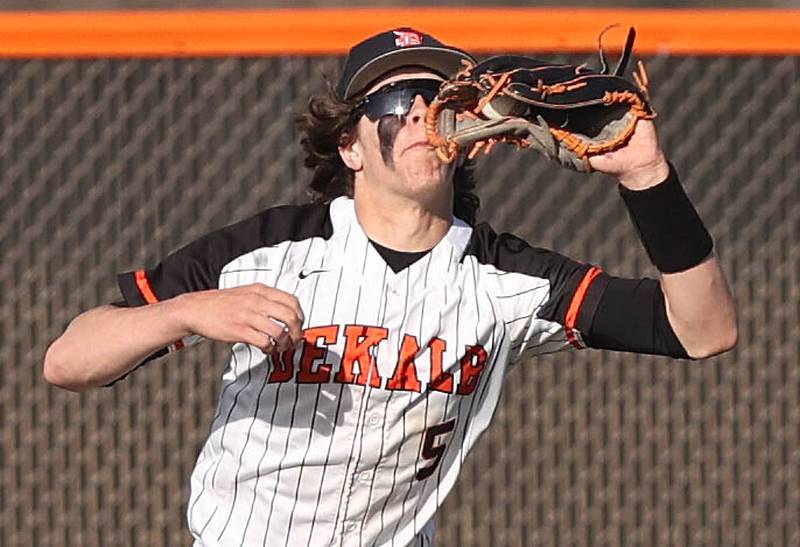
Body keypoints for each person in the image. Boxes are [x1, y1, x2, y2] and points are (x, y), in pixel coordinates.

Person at [44, 28, 737, 546]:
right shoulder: (267, 250)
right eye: (399, 98)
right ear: (350, 145)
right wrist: (189, 311)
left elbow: (703, 331)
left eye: (439, 99)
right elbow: (68, 360)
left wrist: (648, 178)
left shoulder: (503, 278)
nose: (421, 113)